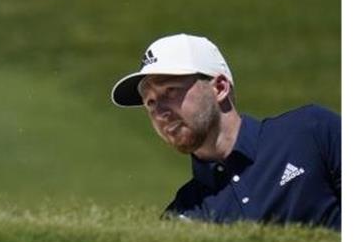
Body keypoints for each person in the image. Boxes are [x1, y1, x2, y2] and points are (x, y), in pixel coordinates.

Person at [110, 33, 340, 230]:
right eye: (150, 102)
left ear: (219, 88)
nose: (159, 111)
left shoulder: (310, 132)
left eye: (170, 91)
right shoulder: (182, 218)